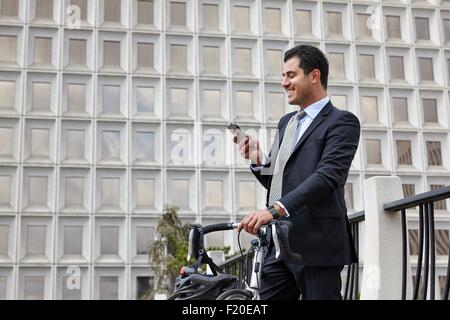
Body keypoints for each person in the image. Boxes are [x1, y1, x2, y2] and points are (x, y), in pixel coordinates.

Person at [233, 44, 361, 300]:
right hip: (278, 246)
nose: (284, 83)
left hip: (317, 244)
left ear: (314, 76)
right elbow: (279, 180)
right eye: (283, 76)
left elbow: (327, 177)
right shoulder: (286, 123)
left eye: (290, 75)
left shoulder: (342, 122)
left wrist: (273, 210)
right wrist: (260, 160)